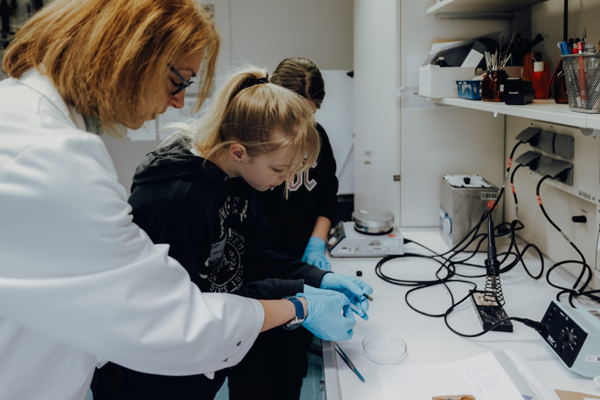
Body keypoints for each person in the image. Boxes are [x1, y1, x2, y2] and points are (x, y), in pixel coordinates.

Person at [0, 2, 352, 399]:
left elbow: (246, 257)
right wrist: (299, 306)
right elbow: (172, 320)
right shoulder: (54, 157)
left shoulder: (33, 125)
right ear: (129, 53)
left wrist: (314, 279)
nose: (179, 102)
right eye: (179, 81)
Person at [90, 67, 370, 399]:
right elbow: (190, 316)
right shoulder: (178, 201)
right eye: (279, 169)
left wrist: (316, 278)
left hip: (197, 367)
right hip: (150, 376)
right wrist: (300, 304)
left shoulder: (236, 176)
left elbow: (254, 254)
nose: (283, 180)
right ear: (239, 151)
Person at [228, 57, 345, 400]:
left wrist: (316, 246)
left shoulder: (316, 139)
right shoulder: (250, 156)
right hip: (254, 272)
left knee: (291, 366)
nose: (303, 128)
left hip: (298, 265)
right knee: (253, 374)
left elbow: (327, 199)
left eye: (310, 117)